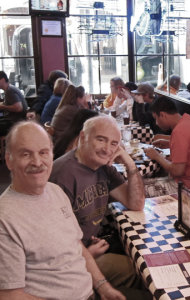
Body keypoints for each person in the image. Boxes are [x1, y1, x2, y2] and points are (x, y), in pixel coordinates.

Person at [0, 121, 124, 300]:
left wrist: (103, 286)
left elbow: (76, 245)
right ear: (9, 160)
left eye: (43, 153)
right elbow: (10, 296)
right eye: (26, 154)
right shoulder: (5, 219)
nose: (37, 162)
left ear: (51, 155)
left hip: (90, 291)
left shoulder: (55, 191)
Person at [50, 115, 148, 298]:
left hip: (91, 247)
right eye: (101, 139)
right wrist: (86, 254)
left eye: (114, 144)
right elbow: (55, 240)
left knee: (145, 268)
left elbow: (136, 203)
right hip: (70, 262)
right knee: (142, 272)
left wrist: (130, 164)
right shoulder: (62, 175)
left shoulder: (103, 167)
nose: (107, 149)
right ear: (82, 137)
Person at [144, 96, 190, 189]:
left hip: (187, 187)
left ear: (162, 115)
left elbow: (177, 171)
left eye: (156, 118)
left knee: (136, 189)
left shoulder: (179, 131)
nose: (156, 123)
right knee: (141, 183)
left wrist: (157, 156)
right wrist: (170, 143)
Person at [0, 71, 28, 136]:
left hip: (15, 122)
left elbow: (19, 108)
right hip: (15, 120)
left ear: (3, 80)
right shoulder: (10, 88)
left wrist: (3, 107)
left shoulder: (10, 90)